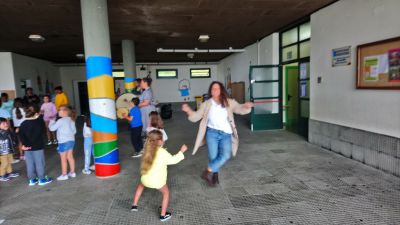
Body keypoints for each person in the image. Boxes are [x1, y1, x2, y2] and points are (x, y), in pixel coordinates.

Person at [182, 81, 253, 186]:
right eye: (213, 89)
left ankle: (208, 171)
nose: (215, 90)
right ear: (211, 91)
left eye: (217, 88)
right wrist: (188, 110)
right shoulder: (206, 104)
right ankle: (213, 177)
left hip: (226, 134)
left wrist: (246, 107)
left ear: (221, 90)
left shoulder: (229, 102)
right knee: (213, 157)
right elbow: (196, 116)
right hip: (212, 133)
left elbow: (239, 108)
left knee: (225, 155)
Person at [131, 130, 187, 222]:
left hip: (145, 178)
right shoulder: (162, 152)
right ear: (159, 141)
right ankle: (163, 215)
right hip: (157, 182)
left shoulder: (146, 149)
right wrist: (181, 151)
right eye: (162, 138)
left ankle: (134, 205)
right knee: (166, 193)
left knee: (141, 185)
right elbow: (173, 160)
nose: (164, 140)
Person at [18, 104, 53, 186]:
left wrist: (25, 145)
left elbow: (21, 135)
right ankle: (41, 179)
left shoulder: (23, 124)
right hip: (37, 147)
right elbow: (42, 132)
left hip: (27, 148)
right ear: (37, 113)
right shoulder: (39, 122)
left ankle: (32, 180)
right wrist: (40, 116)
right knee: (39, 163)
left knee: (30, 164)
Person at [49, 105, 76, 181]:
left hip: (63, 142)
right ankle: (72, 172)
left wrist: (51, 121)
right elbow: (74, 131)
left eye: (59, 110)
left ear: (65, 111)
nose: (58, 111)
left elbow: (52, 128)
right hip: (71, 141)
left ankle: (64, 174)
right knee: (70, 157)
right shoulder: (71, 120)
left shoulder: (60, 121)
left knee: (63, 159)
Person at [0, 117, 19, 182]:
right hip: (2, 152)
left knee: (9, 162)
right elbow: (3, 137)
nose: (6, 124)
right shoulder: (2, 132)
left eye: (6, 123)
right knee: (4, 163)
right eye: (3, 123)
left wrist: (15, 132)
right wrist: (6, 130)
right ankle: (1, 175)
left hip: (9, 150)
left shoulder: (7, 131)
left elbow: (12, 137)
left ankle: (9, 173)